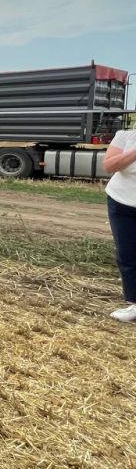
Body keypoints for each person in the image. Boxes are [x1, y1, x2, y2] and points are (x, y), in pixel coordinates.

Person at [103, 129, 136, 323]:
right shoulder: (125, 136)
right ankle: (134, 305)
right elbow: (109, 165)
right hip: (121, 202)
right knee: (128, 255)